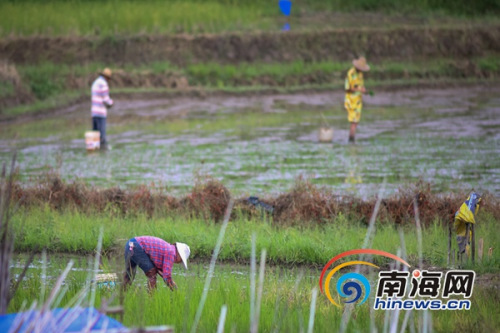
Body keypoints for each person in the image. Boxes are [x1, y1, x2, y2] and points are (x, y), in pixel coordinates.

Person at [123, 236, 190, 291]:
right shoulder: (171, 253)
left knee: (129, 275)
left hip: (130, 244)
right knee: (152, 274)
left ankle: (122, 295)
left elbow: (161, 271)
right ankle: (152, 300)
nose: (179, 262)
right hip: (137, 246)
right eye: (181, 260)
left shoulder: (167, 248)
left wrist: (168, 280)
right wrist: (175, 289)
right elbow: (166, 276)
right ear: (179, 254)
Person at [344, 56, 370, 143]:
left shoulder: (360, 74)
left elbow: (360, 86)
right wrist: (359, 89)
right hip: (351, 101)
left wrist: (364, 90)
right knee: (354, 122)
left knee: (356, 122)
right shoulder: (350, 73)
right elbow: (347, 88)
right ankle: (351, 141)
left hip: (358, 101)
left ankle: (352, 139)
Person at [453, 192, 482, 258]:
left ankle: (464, 258)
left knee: (465, 245)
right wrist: (472, 222)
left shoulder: (470, 204)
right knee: (463, 246)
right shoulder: (469, 204)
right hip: (461, 228)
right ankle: (463, 258)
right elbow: (469, 217)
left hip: (463, 229)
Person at [91, 68, 114, 147]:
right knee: (102, 138)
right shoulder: (103, 84)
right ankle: (103, 152)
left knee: (95, 138)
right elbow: (106, 99)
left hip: (94, 113)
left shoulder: (95, 82)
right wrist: (111, 103)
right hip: (100, 113)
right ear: (107, 77)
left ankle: (95, 153)